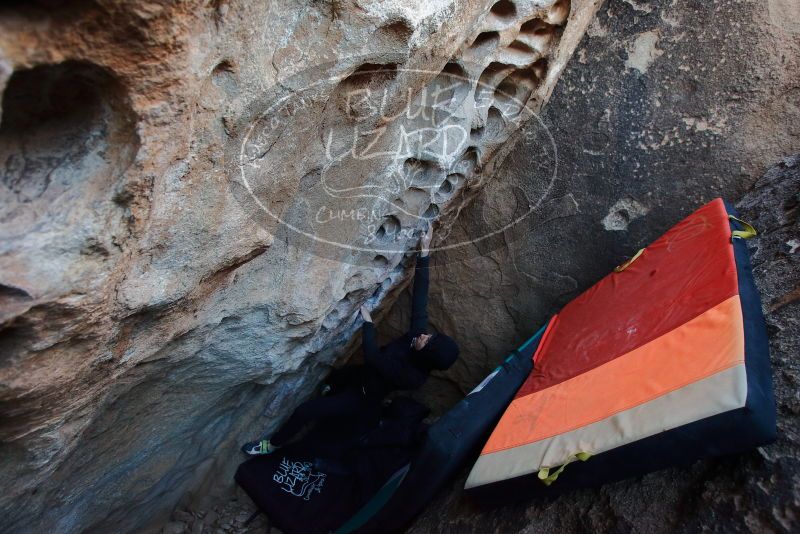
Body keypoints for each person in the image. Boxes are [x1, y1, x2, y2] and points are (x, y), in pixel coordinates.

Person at [241, 226, 460, 455]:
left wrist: (367, 323)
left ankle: (272, 445)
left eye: (427, 341)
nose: (424, 335)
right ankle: (331, 387)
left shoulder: (412, 377)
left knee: (306, 411)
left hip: (361, 396)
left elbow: (373, 357)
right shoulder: (417, 338)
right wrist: (425, 251)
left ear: (426, 356)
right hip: (359, 374)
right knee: (336, 378)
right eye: (428, 335)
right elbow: (421, 297)